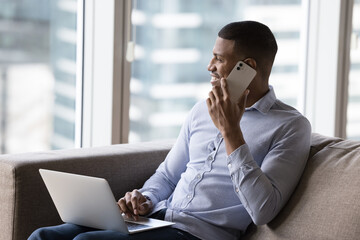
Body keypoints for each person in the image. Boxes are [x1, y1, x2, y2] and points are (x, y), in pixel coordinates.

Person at [28, 20, 311, 240]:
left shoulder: (289, 127)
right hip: (157, 220)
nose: (209, 66)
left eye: (219, 59)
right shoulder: (201, 110)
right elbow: (167, 175)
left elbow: (264, 211)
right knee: (44, 236)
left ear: (246, 68)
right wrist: (146, 198)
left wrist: (231, 132)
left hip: (197, 234)